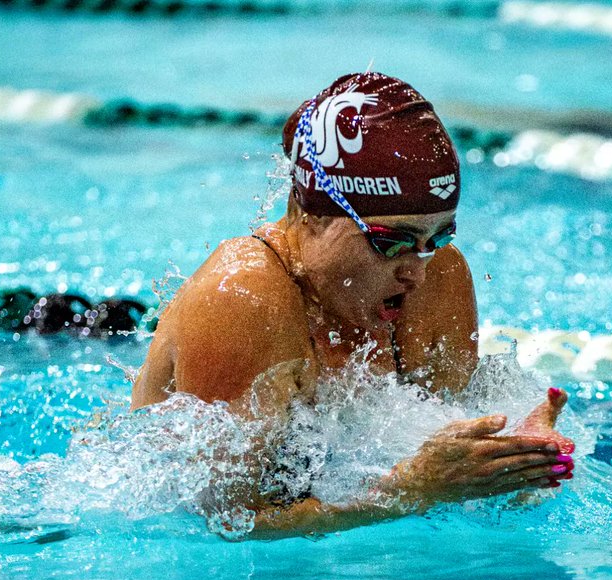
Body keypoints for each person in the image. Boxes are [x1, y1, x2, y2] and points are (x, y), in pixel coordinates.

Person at [132, 72, 575, 539]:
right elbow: (226, 521)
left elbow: (447, 473)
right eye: (391, 242)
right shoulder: (244, 300)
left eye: (439, 237)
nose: (417, 272)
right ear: (313, 214)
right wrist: (408, 492)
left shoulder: (436, 274)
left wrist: (513, 465)